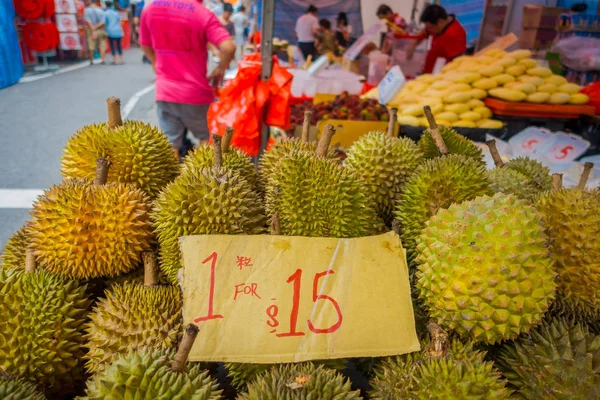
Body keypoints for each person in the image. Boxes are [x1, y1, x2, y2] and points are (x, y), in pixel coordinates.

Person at [139, 0, 236, 158]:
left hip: (165, 91)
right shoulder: (202, 14)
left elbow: (144, 44)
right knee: (206, 141)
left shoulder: (151, 8)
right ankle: (204, 180)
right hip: (195, 94)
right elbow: (228, 47)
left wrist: (155, 62)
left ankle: (172, 181)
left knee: (171, 145)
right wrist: (220, 69)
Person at [406, 5, 467, 74]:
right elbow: (424, 32)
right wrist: (412, 45)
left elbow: (457, 62)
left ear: (440, 22)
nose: (428, 29)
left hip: (442, 77)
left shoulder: (454, 34)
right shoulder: (438, 25)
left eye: (430, 27)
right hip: (428, 73)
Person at [83, 0, 107, 64]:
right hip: (100, 29)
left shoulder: (86, 10)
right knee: (102, 44)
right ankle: (102, 59)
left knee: (91, 45)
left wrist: (93, 29)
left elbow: (88, 21)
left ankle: (91, 60)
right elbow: (103, 22)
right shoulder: (101, 10)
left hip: (90, 30)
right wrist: (96, 27)